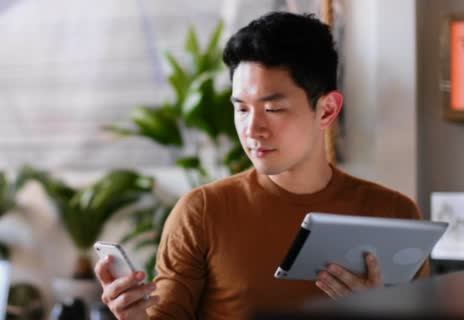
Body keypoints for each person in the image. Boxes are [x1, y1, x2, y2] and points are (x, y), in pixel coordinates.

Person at [95, 12, 429, 319]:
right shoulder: (203, 212)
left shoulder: (392, 214)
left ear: (326, 110)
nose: (252, 129)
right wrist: (134, 316)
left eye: (272, 109)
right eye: (241, 109)